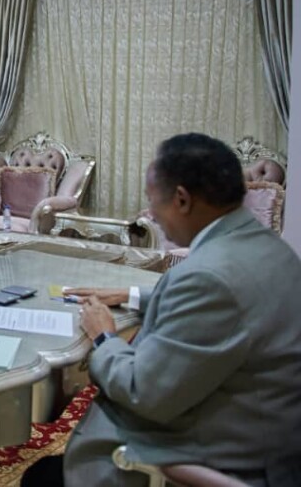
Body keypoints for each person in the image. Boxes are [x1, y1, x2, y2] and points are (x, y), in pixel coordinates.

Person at [22, 133, 301, 487]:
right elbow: (232, 303)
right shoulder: (271, 248)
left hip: (213, 454)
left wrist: (104, 336)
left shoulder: (210, 278)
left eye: (153, 201)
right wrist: (131, 294)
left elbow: (141, 390)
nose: (151, 214)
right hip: (261, 431)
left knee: (40, 478)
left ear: (182, 199)